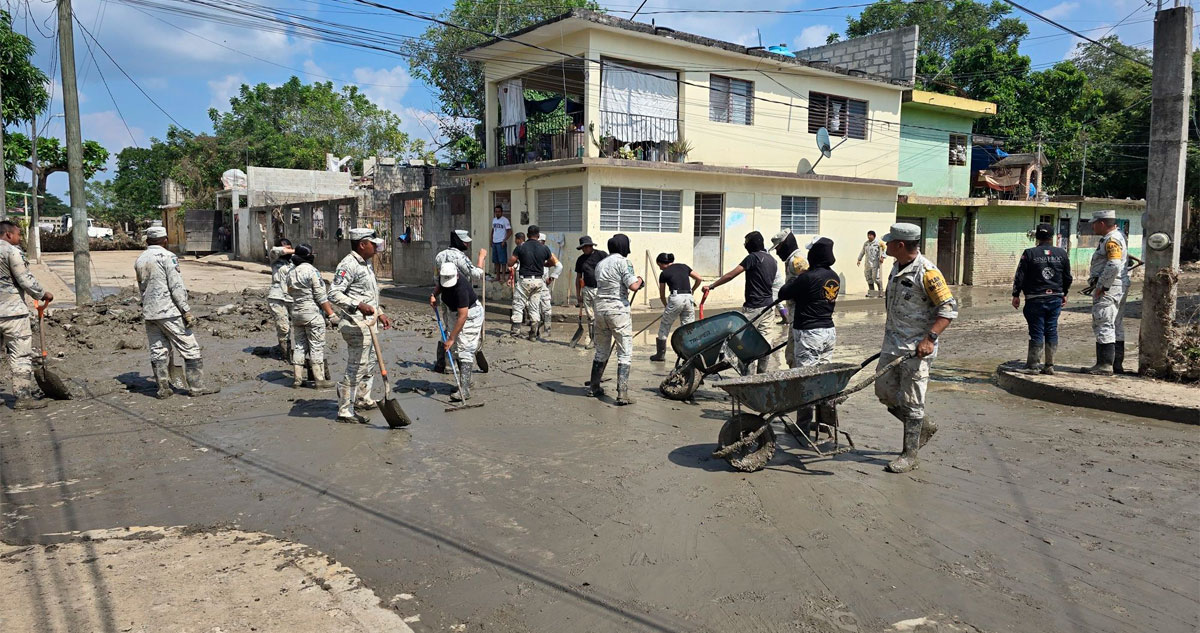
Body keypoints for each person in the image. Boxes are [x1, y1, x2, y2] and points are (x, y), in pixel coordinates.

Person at [874, 223, 956, 473]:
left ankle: (910, 455)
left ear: (899, 245)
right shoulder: (896, 267)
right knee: (884, 391)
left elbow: (948, 310)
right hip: (892, 344)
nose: (885, 245)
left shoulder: (928, 272)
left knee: (912, 401)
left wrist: (929, 339)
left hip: (916, 349)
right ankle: (924, 426)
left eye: (889, 242)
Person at [134, 226, 220, 399]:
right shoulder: (168, 257)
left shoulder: (140, 259)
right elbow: (176, 286)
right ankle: (196, 387)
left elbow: (141, 286)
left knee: (158, 350)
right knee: (190, 347)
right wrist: (186, 310)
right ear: (165, 240)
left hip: (150, 312)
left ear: (147, 241)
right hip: (169, 311)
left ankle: (163, 388)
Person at [329, 228, 392, 424]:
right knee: (356, 367)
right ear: (362, 244)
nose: (376, 248)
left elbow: (368, 294)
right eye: (373, 244)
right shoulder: (348, 264)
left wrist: (379, 312)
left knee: (370, 361)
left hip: (369, 324)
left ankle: (363, 398)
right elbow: (334, 293)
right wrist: (357, 305)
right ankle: (345, 410)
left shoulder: (366, 264)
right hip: (355, 324)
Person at [778, 237, 840, 433]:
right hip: (828, 332)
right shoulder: (834, 277)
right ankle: (826, 423)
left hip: (809, 333)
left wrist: (799, 277)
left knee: (805, 380)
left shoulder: (807, 278)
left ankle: (802, 426)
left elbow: (783, 292)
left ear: (815, 254)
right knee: (823, 377)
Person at [702, 231, 779, 374]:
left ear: (751, 243)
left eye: (746, 242)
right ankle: (761, 375)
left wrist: (711, 286)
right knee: (765, 342)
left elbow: (731, 275)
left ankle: (747, 377)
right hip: (768, 306)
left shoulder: (752, 258)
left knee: (744, 344)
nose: (744, 244)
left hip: (753, 307)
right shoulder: (772, 260)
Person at [0, 220, 53, 410]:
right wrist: (42, 294)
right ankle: (23, 398)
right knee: (20, 354)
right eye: (18, 234)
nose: (19, 238)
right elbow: (24, 279)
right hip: (12, 312)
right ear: (8, 235)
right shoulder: (11, 252)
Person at [588, 234, 643, 404]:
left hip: (600, 309)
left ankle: (594, 387)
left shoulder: (600, 264)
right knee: (624, 351)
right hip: (618, 309)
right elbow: (633, 285)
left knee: (601, 349)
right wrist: (640, 280)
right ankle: (622, 394)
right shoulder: (623, 262)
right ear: (623, 247)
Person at [1011, 223, 1071, 375]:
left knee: (1037, 330)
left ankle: (1033, 366)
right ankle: (1049, 365)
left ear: (1037, 237)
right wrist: (1064, 293)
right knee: (1051, 329)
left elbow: (1020, 276)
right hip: (1055, 298)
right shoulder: (1062, 253)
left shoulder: (1029, 253)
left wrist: (1016, 294)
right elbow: (1067, 277)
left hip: (1035, 298)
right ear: (1052, 237)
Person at [1083, 209, 1131, 375]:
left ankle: (1104, 365)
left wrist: (1102, 286)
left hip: (1110, 288)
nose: (1093, 227)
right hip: (1119, 286)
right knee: (1116, 324)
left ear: (1102, 223)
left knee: (1103, 321)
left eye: (1094, 223)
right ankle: (1116, 364)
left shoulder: (1111, 240)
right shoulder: (1119, 236)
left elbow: (1114, 264)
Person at [432, 229, 486, 373]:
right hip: (462, 298)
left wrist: (434, 295)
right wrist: (481, 259)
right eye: (465, 242)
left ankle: (448, 364)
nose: (467, 244)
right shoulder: (459, 257)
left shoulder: (439, 256)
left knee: (450, 328)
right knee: (463, 331)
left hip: (446, 299)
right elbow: (476, 274)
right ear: (458, 242)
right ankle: (465, 356)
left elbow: (436, 279)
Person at [431, 262, 484, 401]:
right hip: (454, 313)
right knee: (454, 350)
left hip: (470, 315)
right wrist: (433, 295)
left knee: (464, 348)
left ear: (456, 276)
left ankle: (465, 390)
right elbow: (440, 286)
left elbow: (463, 316)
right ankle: (465, 381)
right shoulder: (445, 276)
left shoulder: (461, 288)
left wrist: (452, 338)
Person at [288, 244, 339, 389]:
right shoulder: (312, 271)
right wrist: (332, 315)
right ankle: (319, 380)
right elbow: (321, 296)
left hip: (296, 313)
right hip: (312, 314)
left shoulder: (291, 272)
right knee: (316, 346)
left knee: (299, 346)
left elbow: (289, 291)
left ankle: (297, 379)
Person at [649, 253, 702, 362]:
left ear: (662, 263)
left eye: (659, 266)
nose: (659, 268)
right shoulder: (684, 266)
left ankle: (660, 354)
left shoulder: (664, 273)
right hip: (688, 297)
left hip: (676, 297)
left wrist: (666, 307)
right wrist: (693, 290)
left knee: (665, 325)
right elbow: (699, 278)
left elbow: (662, 295)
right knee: (688, 327)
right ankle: (689, 354)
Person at [508, 225, 557, 340]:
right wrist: (543, 264)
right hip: (539, 281)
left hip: (525, 280)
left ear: (528, 235)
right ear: (538, 235)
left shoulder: (521, 247)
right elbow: (553, 262)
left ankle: (515, 332)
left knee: (518, 305)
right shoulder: (544, 248)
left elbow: (510, 263)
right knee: (534, 307)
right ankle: (533, 334)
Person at [771, 230, 809, 368]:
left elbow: (808, 283)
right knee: (791, 353)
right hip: (794, 314)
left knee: (795, 354)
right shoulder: (790, 261)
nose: (777, 252)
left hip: (800, 314)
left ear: (785, 244)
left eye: (778, 248)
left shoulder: (797, 261)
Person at [573, 236, 607, 348]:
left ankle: (602, 339)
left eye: (587, 247)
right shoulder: (580, 260)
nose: (585, 249)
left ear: (591, 246)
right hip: (587, 289)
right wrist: (578, 295)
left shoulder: (601, 255)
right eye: (583, 248)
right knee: (590, 316)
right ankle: (593, 340)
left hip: (600, 289)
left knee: (601, 316)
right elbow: (578, 278)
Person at [266, 238, 295, 360]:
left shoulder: (294, 262)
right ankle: (285, 354)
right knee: (283, 327)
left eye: (289, 247)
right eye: (285, 248)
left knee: (300, 325)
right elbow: (275, 250)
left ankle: (299, 354)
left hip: (292, 297)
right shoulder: (274, 258)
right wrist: (290, 250)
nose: (287, 251)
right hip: (277, 297)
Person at [539, 236, 564, 334]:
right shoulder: (534, 251)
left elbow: (559, 266)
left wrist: (552, 277)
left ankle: (547, 329)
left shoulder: (548, 253)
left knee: (545, 307)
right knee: (536, 307)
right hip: (535, 282)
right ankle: (539, 329)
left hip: (542, 283)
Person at [857, 230, 885, 297]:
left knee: (875, 278)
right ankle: (871, 292)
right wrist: (859, 259)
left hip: (875, 264)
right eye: (868, 235)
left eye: (870, 235)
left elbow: (884, 251)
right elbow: (862, 251)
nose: (869, 236)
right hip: (867, 264)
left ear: (874, 236)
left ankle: (880, 291)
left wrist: (882, 257)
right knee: (868, 278)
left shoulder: (878, 243)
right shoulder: (866, 243)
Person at [491, 205, 512, 280]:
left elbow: (510, 231)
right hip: (495, 242)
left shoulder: (505, 220)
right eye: (496, 212)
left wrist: (504, 240)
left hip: (501, 242)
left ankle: (503, 276)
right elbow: (493, 231)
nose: (497, 213)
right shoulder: (494, 220)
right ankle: (498, 276)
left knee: (502, 261)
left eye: (499, 212)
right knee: (496, 261)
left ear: (502, 212)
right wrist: (491, 240)